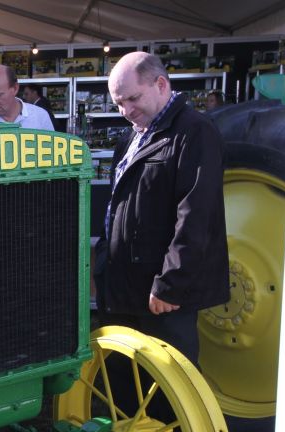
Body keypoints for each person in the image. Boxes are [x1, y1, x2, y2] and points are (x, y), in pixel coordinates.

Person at [95, 51, 229, 364]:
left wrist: (171, 284)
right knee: (124, 383)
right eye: (118, 103)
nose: (126, 110)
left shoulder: (195, 132)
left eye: (132, 98)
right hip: (124, 290)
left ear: (161, 84)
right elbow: (117, 205)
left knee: (168, 392)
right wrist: (104, 260)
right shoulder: (130, 137)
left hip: (162, 298)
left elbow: (196, 215)